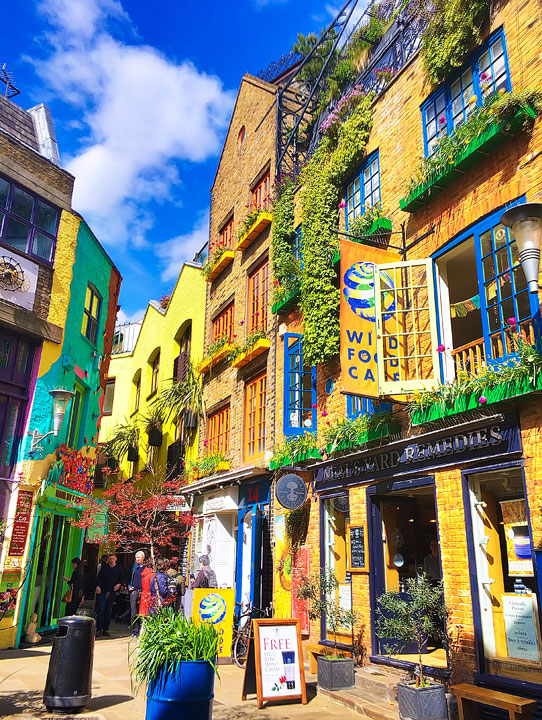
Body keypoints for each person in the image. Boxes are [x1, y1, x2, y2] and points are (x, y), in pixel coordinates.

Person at [95, 554, 125, 636]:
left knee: (108, 611)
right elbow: (98, 578)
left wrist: (119, 584)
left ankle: (105, 629)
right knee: (101, 610)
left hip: (112, 592)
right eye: (110, 558)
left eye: (113, 559)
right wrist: (97, 586)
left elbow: (122, 578)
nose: (111, 560)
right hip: (103, 591)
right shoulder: (104, 568)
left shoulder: (118, 568)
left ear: (116, 559)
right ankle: (98, 629)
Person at [128, 550, 146, 636]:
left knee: (142, 612)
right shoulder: (134, 567)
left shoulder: (146, 568)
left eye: (138, 557)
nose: (137, 559)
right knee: (134, 612)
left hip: (143, 592)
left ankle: (142, 630)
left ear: (143, 558)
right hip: (134, 591)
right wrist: (129, 586)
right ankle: (134, 630)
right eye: (136, 557)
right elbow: (128, 576)